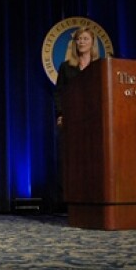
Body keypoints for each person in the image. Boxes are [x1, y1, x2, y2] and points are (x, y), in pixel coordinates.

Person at [51, 26, 100, 213]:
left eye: (85, 39)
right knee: (73, 162)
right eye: (79, 39)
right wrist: (60, 114)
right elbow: (59, 94)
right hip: (73, 120)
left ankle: (94, 200)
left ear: (92, 43)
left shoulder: (100, 65)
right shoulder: (67, 67)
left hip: (95, 120)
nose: (81, 42)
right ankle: (73, 203)